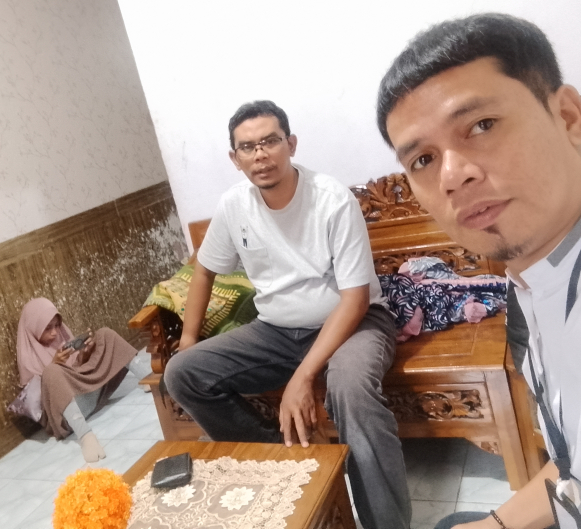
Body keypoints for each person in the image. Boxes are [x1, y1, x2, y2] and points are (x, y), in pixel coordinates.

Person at [376, 13, 581, 528]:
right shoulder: (535, 273)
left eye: (481, 126)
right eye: (423, 160)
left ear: (568, 116)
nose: (453, 175)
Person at [163, 100, 411, 529]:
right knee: (182, 373)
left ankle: (385, 524)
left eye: (270, 141)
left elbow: (354, 299)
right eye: (247, 147)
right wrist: (188, 341)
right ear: (235, 158)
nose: (260, 154)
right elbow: (203, 270)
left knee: (350, 391)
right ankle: (287, 462)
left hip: (354, 323)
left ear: (291, 144)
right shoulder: (234, 205)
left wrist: (303, 376)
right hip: (276, 331)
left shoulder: (332, 199)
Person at [16, 297, 137, 462]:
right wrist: (54, 364)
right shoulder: (28, 358)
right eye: (48, 328)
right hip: (66, 418)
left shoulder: (60, 338)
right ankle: (87, 437)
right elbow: (41, 401)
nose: (55, 332)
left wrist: (84, 355)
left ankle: (150, 379)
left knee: (104, 334)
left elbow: (75, 374)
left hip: (88, 395)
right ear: (33, 328)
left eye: (57, 325)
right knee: (52, 371)